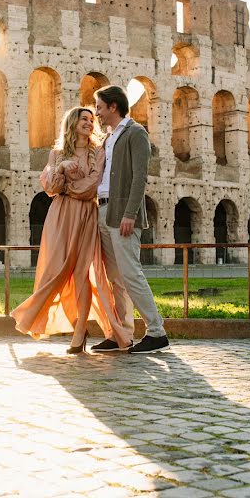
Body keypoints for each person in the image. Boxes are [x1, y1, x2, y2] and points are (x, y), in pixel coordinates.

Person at [11, 107, 133, 354]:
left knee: (81, 275)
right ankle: (74, 323)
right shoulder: (56, 153)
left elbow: (92, 187)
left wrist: (68, 186)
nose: (89, 123)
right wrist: (62, 168)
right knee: (55, 271)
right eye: (84, 119)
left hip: (86, 215)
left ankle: (79, 333)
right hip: (60, 217)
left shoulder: (97, 152)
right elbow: (50, 187)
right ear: (72, 123)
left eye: (91, 119)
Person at [90, 85, 169, 354]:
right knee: (116, 278)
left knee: (130, 273)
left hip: (122, 212)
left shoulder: (136, 133)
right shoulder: (108, 138)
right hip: (103, 210)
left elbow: (139, 178)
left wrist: (130, 214)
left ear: (113, 106)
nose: (97, 113)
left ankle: (157, 332)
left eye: (99, 107)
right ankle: (122, 334)